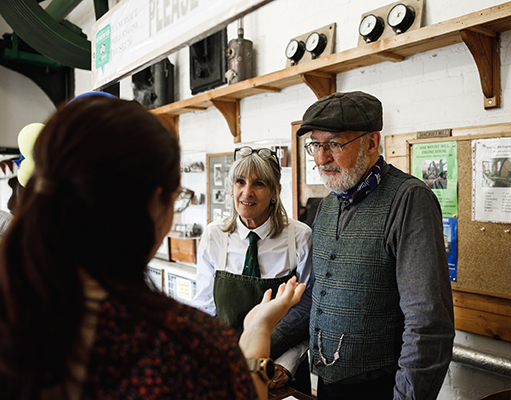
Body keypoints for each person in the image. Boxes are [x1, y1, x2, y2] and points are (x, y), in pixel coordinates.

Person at [0, 96, 304, 400]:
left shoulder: (17, 306)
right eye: (176, 195)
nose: (247, 193)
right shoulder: (178, 345)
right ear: (154, 203)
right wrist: (256, 337)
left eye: (259, 184)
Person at [272, 91, 455, 399]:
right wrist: (253, 344)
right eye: (315, 144)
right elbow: (316, 297)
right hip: (328, 386)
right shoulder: (327, 206)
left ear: (372, 142)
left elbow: (428, 324)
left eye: (333, 144)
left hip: (382, 388)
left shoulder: (409, 199)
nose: (320, 158)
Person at [192, 146, 313, 393]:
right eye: (240, 182)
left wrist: (285, 365)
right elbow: (204, 310)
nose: (246, 192)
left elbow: (307, 312)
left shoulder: (299, 237)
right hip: (228, 366)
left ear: (275, 192)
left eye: (258, 183)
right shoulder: (214, 236)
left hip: (282, 372)